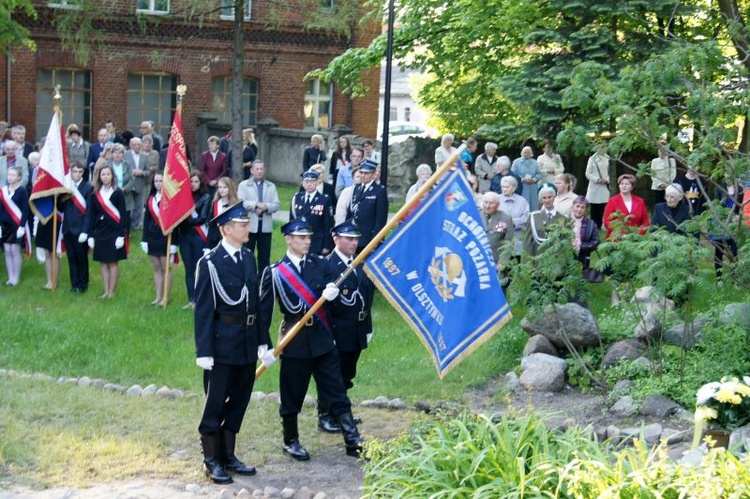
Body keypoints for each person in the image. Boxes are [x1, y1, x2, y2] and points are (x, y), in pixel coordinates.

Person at [259, 219, 364, 460]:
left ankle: (352, 439)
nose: (307, 241)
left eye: (309, 237)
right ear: (288, 239)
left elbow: (337, 299)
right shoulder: (275, 272)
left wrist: (332, 295)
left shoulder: (320, 264)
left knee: (336, 390)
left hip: (322, 338)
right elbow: (264, 313)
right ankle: (291, 440)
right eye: (301, 237)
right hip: (294, 340)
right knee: (292, 393)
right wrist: (263, 345)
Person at [194, 202, 270, 485]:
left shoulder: (248, 258)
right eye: (242, 224)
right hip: (222, 344)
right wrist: (204, 351)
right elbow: (203, 310)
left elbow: (258, 305)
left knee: (239, 400)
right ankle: (211, 459)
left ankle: (228, 454)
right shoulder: (210, 263)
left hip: (247, 342)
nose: (247, 227)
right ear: (226, 230)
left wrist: (263, 340)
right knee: (215, 402)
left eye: (247, 223)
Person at [317, 220, 375, 433]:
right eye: (349, 238)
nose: (354, 243)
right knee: (332, 375)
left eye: (356, 239)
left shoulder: (358, 262)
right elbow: (323, 304)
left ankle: (341, 412)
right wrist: (327, 333)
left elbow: (366, 297)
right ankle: (325, 415)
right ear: (336, 239)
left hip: (356, 329)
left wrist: (367, 327)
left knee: (347, 374)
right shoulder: (326, 265)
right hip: (337, 329)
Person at [86, 164, 127, 298]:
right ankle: (106, 291)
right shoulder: (95, 194)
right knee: (103, 262)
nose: (105, 177)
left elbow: (123, 214)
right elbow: (91, 215)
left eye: (108, 174)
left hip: (114, 231)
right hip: (101, 231)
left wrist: (121, 235)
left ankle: (112, 292)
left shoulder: (118, 192)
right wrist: (90, 235)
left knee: (113, 261)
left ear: (112, 176)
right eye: (103, 174)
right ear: (99, 176)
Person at [141, 173, 178, 305]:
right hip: (152, 236)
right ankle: (158, 296)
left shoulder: (171, 199)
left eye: (161, 181)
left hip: (166, 237)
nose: (158, 183)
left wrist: (174, 242)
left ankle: (165, 298)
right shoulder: (150, 199)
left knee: (165, 267)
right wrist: (144, 239)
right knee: (156, 267)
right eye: (156, 181)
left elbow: (176, 222)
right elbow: (146, 220)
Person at [237, 160, 279, 274]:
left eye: (261, 169)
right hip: (249, 226)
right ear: (251, 170)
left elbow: (276, 204)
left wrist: (266, 206)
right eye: (257, 169)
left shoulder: (271, 186)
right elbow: (241, 202)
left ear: (264, 170)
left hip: (265, 227)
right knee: (247, 255)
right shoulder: (244, 185)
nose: (259, 171)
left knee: (264, 257)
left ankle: (263, 281)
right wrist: (255, 204)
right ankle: (248, 279)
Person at [178, 170, 211, 309]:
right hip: (185, 237)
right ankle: (191, 299)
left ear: (201, 182)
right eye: (190, 181)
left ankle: (200, 298)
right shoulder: (183, 197)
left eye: (196, 181)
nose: (193, 184)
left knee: (199, 268)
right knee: (188, 268)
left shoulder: (206, 197)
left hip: (198, 237)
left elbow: (202, 218)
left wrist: (186, 221)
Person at [62, 162, 93, 293]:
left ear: (83, 173)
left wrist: (85, 231)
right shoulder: (66, 186)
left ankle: (83, 285)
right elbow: (61, 206)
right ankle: (74, 284)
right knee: (71, 258)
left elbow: (89, 212)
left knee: (81, 258)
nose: (77, 174)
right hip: (67, 228)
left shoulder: (88, 188)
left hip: (80, 229)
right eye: (74, 171)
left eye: (79, 172)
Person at [346, 159, 388, 253]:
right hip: (354, 235)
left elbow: (380, 219)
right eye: (361, 172)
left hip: (367, 237)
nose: (363, 175)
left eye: (366, 173)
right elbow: (350, 212)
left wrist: (375, 240)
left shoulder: (379, 191)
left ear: (373, 174)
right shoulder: (357, 189)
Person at [290, 170, 334, 255]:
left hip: (316, 242)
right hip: (299, 241)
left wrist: (327, 245)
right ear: (303, 183)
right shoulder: (297, 198)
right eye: (306, 181)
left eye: (312, 181)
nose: (309, 184)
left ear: (317, 183)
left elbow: (328, 224)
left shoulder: (324, 199)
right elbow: (292, 221)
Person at [0, 166, 29, 286]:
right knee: (7, 250)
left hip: (16, 225)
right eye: (9, 175)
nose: (10, 177)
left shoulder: (22, 191)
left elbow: (25, 209)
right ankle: (10, 277)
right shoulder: (3, 190)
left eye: (13, 175)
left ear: (19, 177)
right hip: (5, 224)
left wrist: (22, 226)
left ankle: (16, 278)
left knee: (15, 250)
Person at [480, 191, 514, 285]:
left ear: (498, 204)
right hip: (478, 262)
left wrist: (502, 262)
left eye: (491, 203)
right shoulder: (476, 216)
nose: (487, 206)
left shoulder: (506, 219)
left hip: (496, 263)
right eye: (485, 202)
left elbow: (508, 244)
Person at [524, 183, 566, 257]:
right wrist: (530, 264)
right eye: (544, 198)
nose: (547, 200)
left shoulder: (563, 218)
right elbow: (528, 243)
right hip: (539, 259)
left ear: (554, 197)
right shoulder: (533, 217)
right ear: (541, 199)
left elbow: (565, 242)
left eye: (549, 197)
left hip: (557, 260)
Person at [603, 173, 650, 240]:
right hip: (616, 239)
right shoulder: (612, 201)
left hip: (636, 238)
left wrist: (637, 234)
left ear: (632, 186)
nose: (624, 186)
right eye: (621, 184)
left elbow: (646, 222)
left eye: (627, 184)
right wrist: (620, 234)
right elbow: (607, 221)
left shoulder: (640, 201)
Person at [497, 175, 529, 261]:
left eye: (507, 187)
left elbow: (526, 218)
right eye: (503, 187)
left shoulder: (522, 201)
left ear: (514, 188)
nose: (504, 189)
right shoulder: (497, 200)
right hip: (501, 240)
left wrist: (512, 222)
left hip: (518, 239)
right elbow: (494, 220)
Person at [569, 196, 600, 276]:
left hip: (583, 257)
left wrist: (580, 246)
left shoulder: (591, 224)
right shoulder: (564, 221)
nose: (579, 209)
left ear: (586, 210)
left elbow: (596, 241)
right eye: (577, 206)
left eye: (583, 207)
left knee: (580, 280)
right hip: (566, 256)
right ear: (573, 207)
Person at [108, 143, 135, 231]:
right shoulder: (107, 165)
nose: (117, 155)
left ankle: (125, 234)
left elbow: (132, 180)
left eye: (120, 153)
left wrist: (124, 189)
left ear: (123, 154)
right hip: (111, 193)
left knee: (125, 218)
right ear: (112, 154)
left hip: (125, 195)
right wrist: (114, 188)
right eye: (115, 152)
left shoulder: (127, 164)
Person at [208, 177, 239, 250]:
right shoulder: (215, 204)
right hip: (216, 241)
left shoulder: (235, 205)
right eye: (220, 187)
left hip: (231, 240)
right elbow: (211, 225)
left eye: (225, 187)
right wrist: (207, 246)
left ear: (230, 188)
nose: (222, 190)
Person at [584, 143, 611, 228]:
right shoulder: (592, 159)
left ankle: (605, 224)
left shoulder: (608, 158)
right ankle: (594, 225)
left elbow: (611, 172)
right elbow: (588, 173)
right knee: (595, 207)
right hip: (595, 186)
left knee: (605, 205)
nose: (602, 148)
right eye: (600, 147)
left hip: (605, 185)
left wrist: (607, 180)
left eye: (604, 146)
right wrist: (597, 179)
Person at [126, 137, 150, 230]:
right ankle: (126, 225)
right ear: (131, 145)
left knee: (138, 207)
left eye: (139, 145)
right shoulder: (125, 154)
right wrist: (131, 171)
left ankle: (134, 226)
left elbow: (148, 171)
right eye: (135, 145)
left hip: (139, 184)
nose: (137, 146)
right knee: (127, 207)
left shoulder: (144, 156)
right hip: (127, 185)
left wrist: (142, 172)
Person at [511, 146, 542, 211]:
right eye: (525, 152)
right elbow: (513, 172)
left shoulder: (535, 162)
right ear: (521, 153)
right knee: (522, 204)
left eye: (528, 152)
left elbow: (539, 173)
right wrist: (522, 179)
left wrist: (534, 179)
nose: (526, 154)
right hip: (521, 186)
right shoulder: (516, 162)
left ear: (531, 154)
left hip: (533, 186)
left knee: (533, 205)